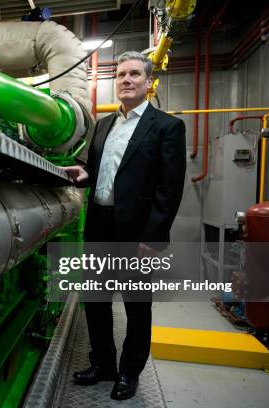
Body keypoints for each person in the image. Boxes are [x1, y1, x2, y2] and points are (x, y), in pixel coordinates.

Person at [62, 50, 186, 400]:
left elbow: (169, 188)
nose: (126, 80)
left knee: (136, 305)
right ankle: (104, 364)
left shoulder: (166, 127)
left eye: (134, 74)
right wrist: (83, 174)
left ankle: (130, 372)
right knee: (96, 301)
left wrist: (154, 237)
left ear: (148, 82)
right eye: (120, 75)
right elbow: (101, 171)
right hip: (99, 223)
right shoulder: (104, 125)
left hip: (137, 232)